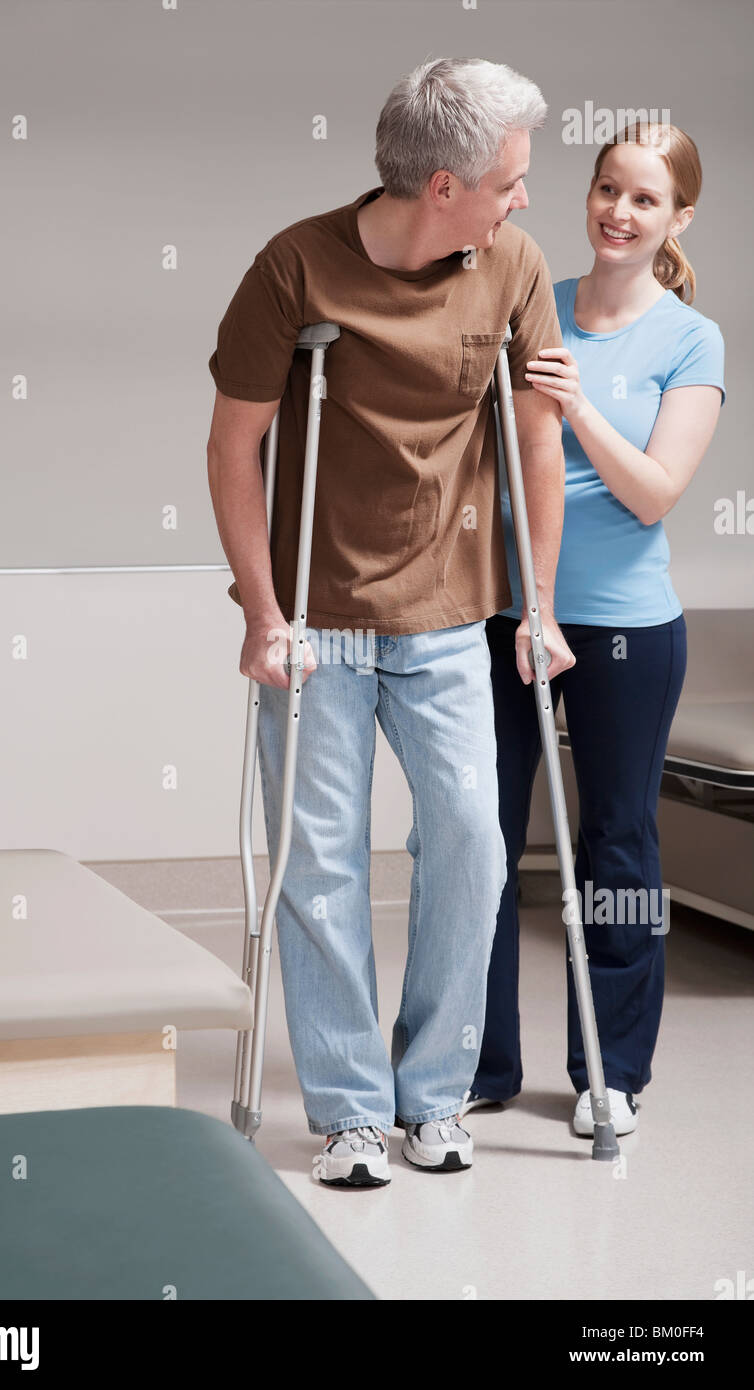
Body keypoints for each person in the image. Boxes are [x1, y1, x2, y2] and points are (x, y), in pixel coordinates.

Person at [206, 57, 574, 1187]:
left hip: (446, 612)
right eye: (509, 179)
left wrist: (540, 604)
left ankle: (434, 1094)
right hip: (315, 618)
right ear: (443, 188)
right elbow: (232, 449)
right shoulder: (294, 266)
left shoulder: (508, 262)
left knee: (468, 840)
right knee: (317, 861)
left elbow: (533, 442)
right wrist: (263, 612)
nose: (524, 197)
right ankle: (351, 1112)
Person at [463, 123, 725, 1138]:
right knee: (474, 838)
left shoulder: (686, 339)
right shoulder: (531, 298)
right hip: (501, 609)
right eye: (606, 189)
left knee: (616, 847)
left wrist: (574, 408)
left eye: (644, 199)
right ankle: (473, 1063)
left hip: (623, 627)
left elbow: (653, 492)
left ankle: (609, 1070)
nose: (617, 211)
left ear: (676, 219)